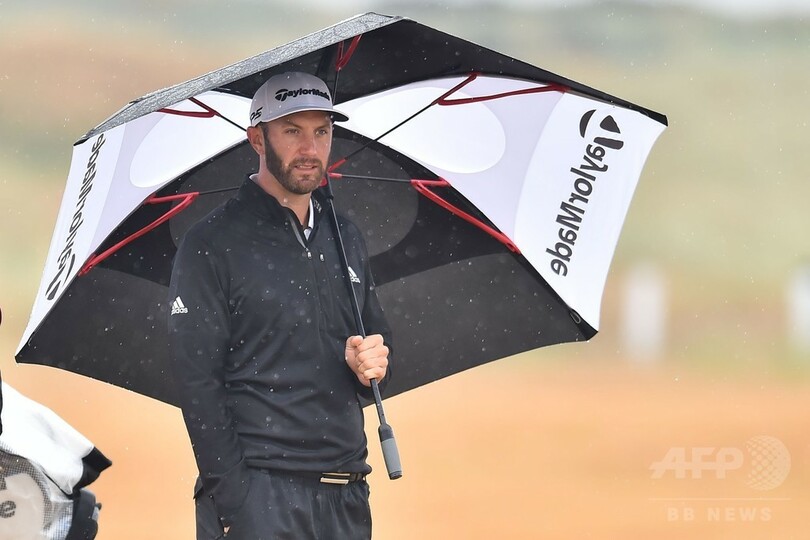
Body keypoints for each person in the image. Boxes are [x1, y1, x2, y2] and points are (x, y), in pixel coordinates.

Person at [168, 71, 392, 540]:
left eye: (322, 131)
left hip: (347, 494)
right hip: (260, 497)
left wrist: (370, 363)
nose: (310, 148)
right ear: (257, 139)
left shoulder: (345, 235)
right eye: (292, 131)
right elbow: (198, 383)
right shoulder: (211, 242)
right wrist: (234, 502)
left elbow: (379, 347)